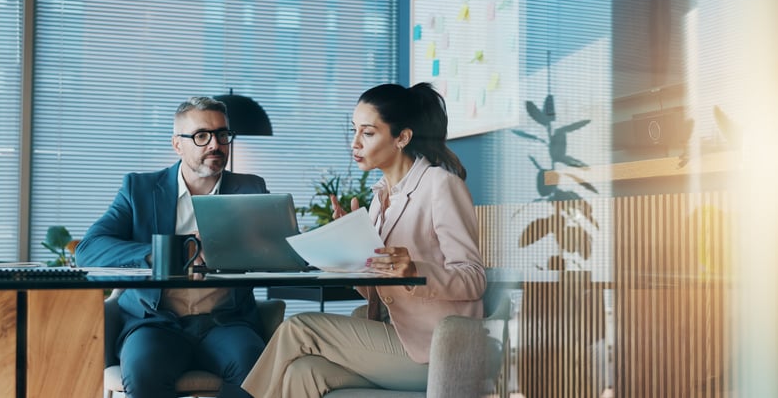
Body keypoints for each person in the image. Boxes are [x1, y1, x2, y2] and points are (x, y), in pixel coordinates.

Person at [240, 82, 487, 398]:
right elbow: (375, 289)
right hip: (393, 335)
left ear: (402, 138)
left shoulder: (441, 186)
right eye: (354, 130)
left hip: (438, 349)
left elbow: (473, 278)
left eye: (367, 133)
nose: (355, 143)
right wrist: (349, 245)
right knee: (304, 372)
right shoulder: (380, 198)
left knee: (299, 327)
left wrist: (415, 271)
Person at [76, 96, 265, 398]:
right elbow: (89, 249)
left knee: (253, 365)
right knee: (143, 370)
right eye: (201, 136)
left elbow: (276, 250)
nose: (215, 144)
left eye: (222, 134)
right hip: (155, 322)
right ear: (177, 144)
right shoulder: (139, 189)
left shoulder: (251, 189)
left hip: (225, 322)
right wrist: (165, 254)